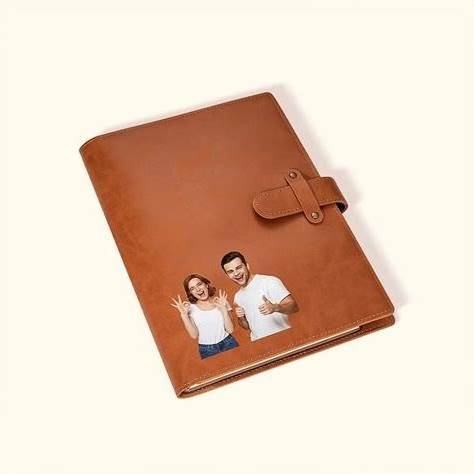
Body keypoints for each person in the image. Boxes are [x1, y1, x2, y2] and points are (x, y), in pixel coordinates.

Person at [221, 251, 299, 341]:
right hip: (258, 342)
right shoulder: (238, 296)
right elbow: (247, 326)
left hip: (283, 338)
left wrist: (275, 307)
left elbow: (294, 307)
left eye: (239, 268)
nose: (236, 273)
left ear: (247, 266)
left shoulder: (269, 281)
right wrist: (241, 318)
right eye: (230, 271)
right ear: (227, 275)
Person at [171, 274, 239, 359]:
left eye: (199, 284)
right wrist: (184, 315)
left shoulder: (221, 301)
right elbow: (194, 335)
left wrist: (224, 309)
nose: (198, 289)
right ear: (190, 293)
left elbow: (230, 329)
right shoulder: (190, 309)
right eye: (192, 288)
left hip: (228, 343)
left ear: (206, 285)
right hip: (207, 350)